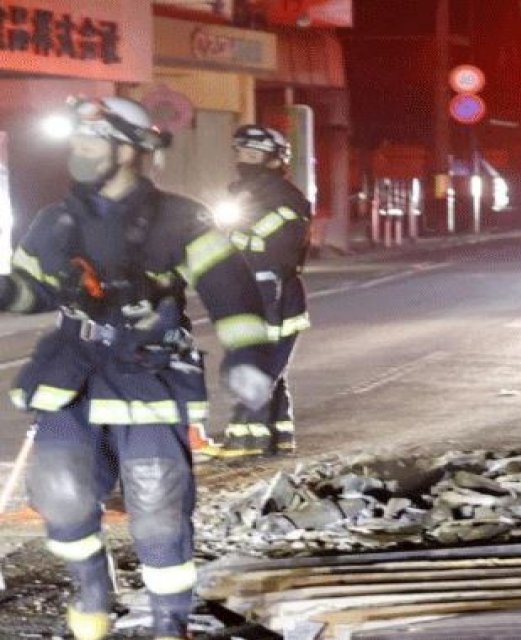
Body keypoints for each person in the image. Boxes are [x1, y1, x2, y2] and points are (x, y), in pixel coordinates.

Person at [4, 96, 275, 640]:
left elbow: (229, 290)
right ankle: (91, 588)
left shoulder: (181, 219)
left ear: (129, 150)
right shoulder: (53, 221)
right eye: (75, 142)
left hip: (148, 374)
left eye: (91, 142)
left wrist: (246, 357)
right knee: (60, 490)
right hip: (69, 373)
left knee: (156, 502)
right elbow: (31, 290)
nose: (79, 153)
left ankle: (170, 620)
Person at [199, 125, 312, 459]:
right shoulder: (240, 194)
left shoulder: (286, 198)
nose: (246, 161)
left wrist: (231, 239)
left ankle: (246, 442)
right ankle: (277, 438)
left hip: (273, 293)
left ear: (275, 160)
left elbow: (273, 245)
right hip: (252, 291)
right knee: (267, 366)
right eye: (242, 154)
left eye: (254, 155)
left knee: (255, 365)